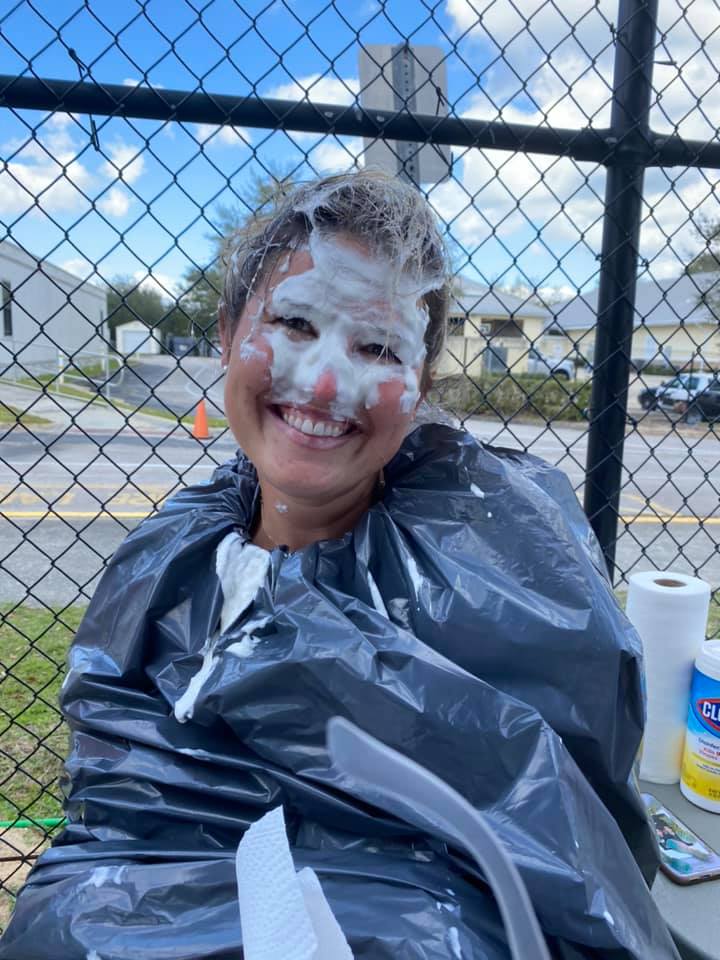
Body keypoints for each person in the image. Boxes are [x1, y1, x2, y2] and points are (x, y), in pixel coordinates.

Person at [0, 171, 680, 959]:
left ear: (421, 381)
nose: (324, 384)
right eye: (294, 323)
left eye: (377, 347)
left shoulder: (501, 570)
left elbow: (575, 854)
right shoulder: (168, 562)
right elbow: (109, 824)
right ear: (226, 332)